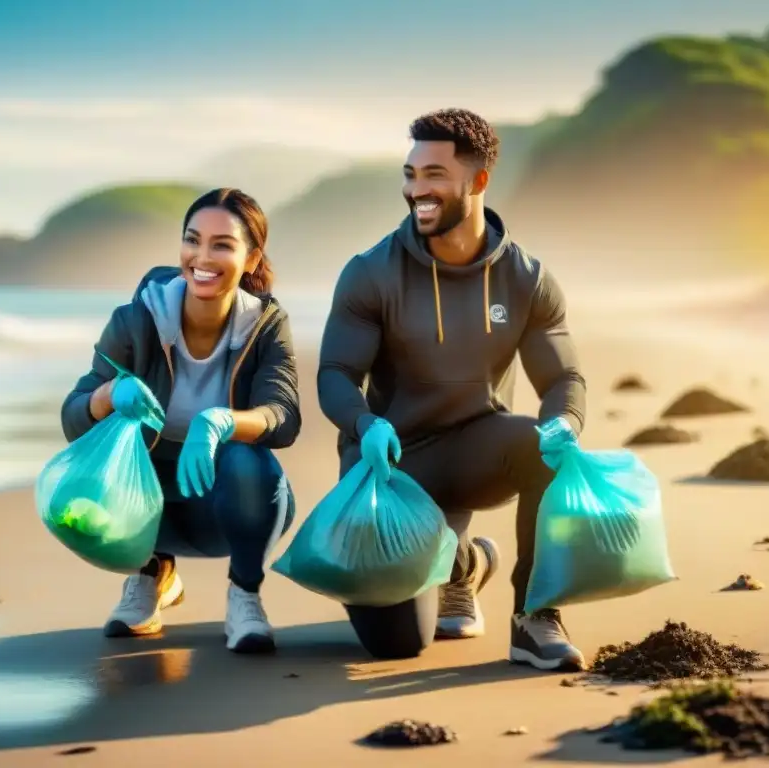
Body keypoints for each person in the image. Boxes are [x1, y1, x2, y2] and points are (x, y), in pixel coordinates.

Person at [316, 108, 588, 671]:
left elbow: (562, 377)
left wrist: (566, 422)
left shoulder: (526, 278)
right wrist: (365, 424)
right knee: (397, 644)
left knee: (547, 446)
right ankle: (463, 565)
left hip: (472, 452)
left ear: (478, 181)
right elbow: (335, 374)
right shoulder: (370, 273)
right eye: (411, 174)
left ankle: (535, 619)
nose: (418, 189)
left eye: (434, 174)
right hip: (388, 464)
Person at [60, 187, 300, 654]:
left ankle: (244, 596)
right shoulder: (136, 321)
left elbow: (284, 417)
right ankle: (149, 575)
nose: (202, 257)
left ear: (251, 260)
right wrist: (111, 393)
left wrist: (220, 423)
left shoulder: (266, 324)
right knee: (98, 469)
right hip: (145, 511)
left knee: (249, 461)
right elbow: (74, 419)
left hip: (228, 508)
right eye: (193, 240)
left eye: (222, 245)